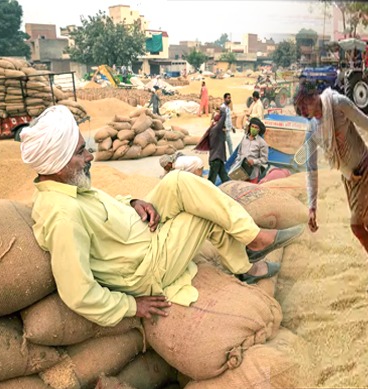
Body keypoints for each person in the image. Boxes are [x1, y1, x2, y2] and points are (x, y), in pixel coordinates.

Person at [19, 105, 304, 327]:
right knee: (201, 214)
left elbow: (100, 212)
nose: (90, 157)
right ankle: (247, 259)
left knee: (178, 181)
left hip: (139, 228)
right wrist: (133, 306)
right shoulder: (62, 216)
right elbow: (78, 293)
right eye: (81, 152)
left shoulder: (65, 187)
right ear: (57, 163)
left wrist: (132, 201)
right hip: (145, 265)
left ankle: (251, 239)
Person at [293, 80, 368, 295]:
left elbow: (364, 122)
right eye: (299, 109)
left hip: (364, 166)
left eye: (303, 105)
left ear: (312, 96)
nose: (303, 111)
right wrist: (312, 206)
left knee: (356, 225)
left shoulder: (337, 103)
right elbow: (311, 169)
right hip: (349, 176)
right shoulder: (312, 129)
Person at [208, 93, 233, 185]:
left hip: (219, 159)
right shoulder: (216, 129)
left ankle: (230, 189)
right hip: (216, 160)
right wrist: (221, 109)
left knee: (225, 178)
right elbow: (224, 116)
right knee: (211, 182)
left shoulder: (214, 128)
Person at [234, 118, 269, 183]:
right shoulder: (244, 138)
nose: (253, 129)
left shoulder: (262, 143)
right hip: (240, 172)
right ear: (249, 127)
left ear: (259, 130)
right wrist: (237, 163)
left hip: (253, 174)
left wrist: (254, 161)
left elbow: (264, 159)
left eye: (256, 127)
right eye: (252, 126)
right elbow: (239, 152)